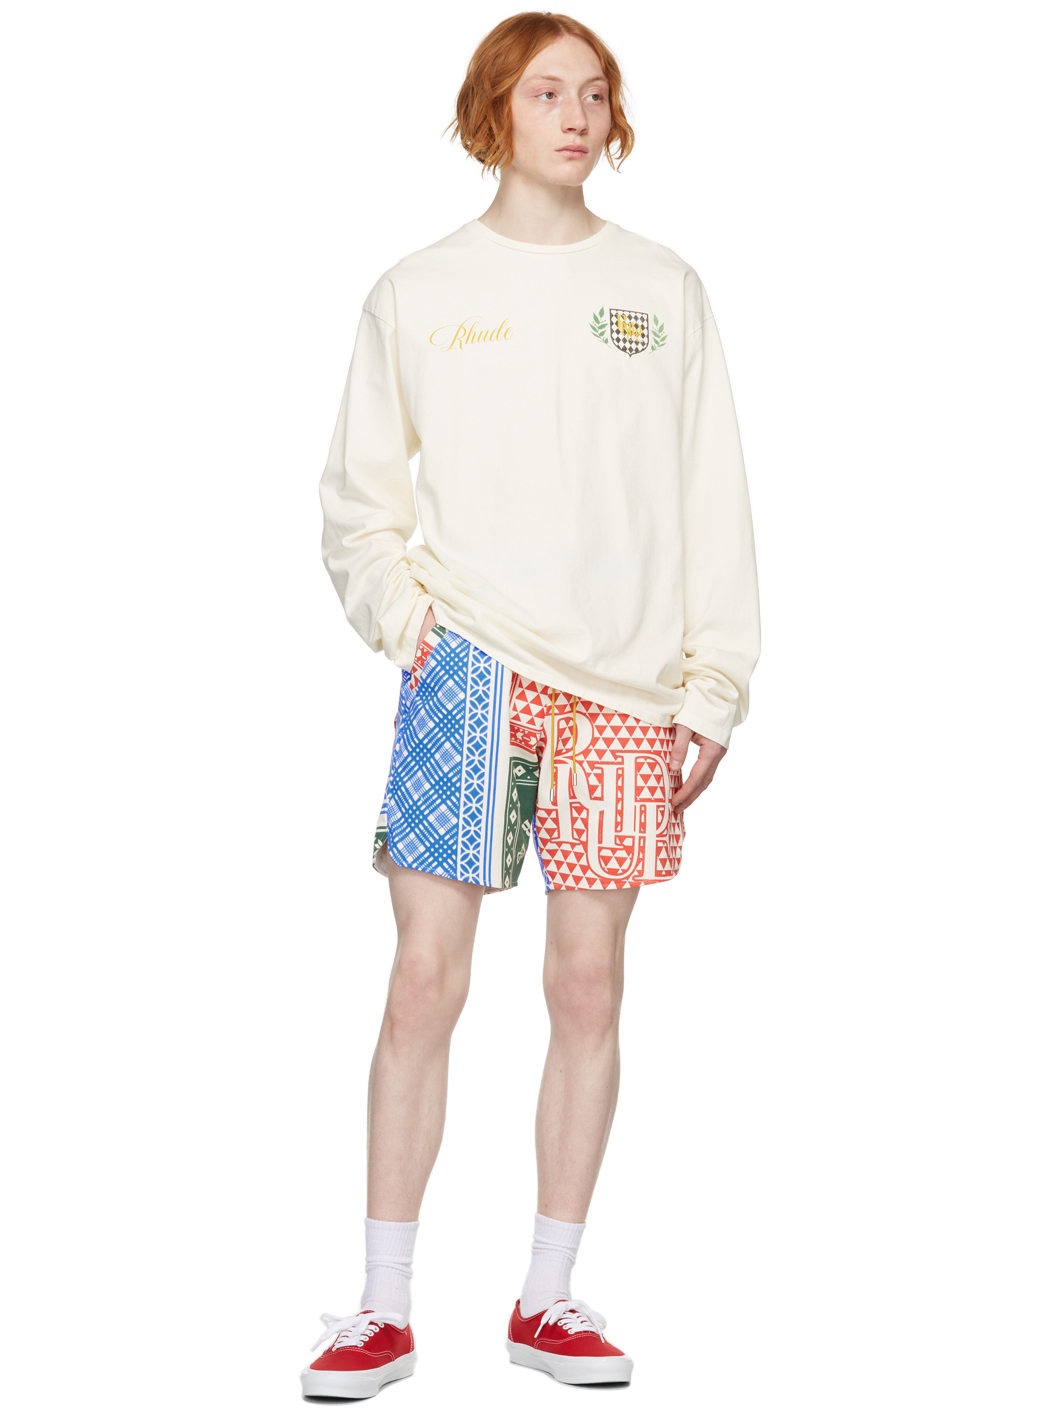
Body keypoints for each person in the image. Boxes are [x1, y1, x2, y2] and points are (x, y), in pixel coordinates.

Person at [301, 10, 760, 1397]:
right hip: (469, 671)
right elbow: (358, 504)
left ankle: (548, 1300)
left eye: (596, 93)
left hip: (625, 685)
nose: (577, 115)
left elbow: (711, 494)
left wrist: (713, 685)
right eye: (549, 91)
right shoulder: (419, 290)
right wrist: (411, 627)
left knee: (587, 983)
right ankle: (381, 1307)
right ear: (493, 109)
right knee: (424, 981)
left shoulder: (664, 289)